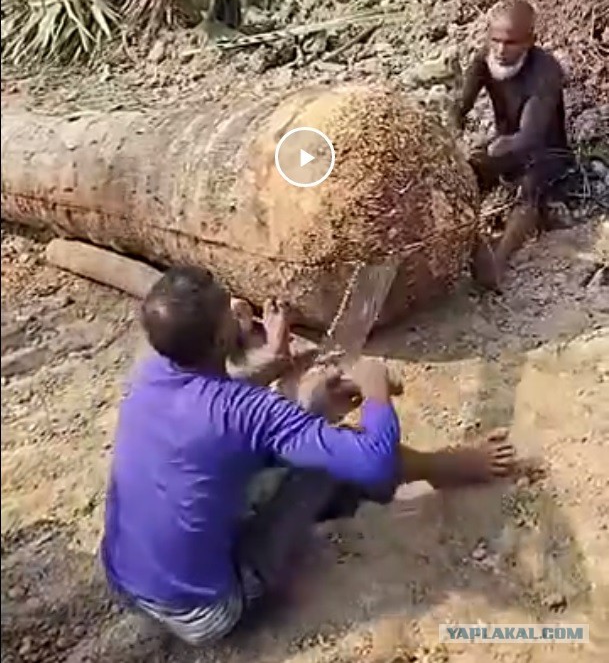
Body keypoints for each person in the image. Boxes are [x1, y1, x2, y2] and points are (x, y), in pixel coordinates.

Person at [101, 265, 516, 646]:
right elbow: (373, 458)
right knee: (329, 459)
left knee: (275, 445)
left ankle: (431, 464)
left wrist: (284, 372)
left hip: (126, 581)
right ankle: (446, 467)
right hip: (207, 613)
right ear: (219, 338)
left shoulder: (152, 369)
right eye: (229, 309)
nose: (239, 308)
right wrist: (376, 392)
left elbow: (222, 407)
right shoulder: (245, 411)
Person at [453, 0, 573, 290]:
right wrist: (451, 132)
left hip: (546, 153)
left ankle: (499, 259)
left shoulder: (545, 72)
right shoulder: (484, 60)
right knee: (466, 174)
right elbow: (459, 106)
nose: (501, 51)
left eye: (510, 43)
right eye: (495, 41)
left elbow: (529, 137)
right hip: (506, 145)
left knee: (528, 190)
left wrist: (496, 149)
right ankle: (452, 235)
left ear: (530, 40)